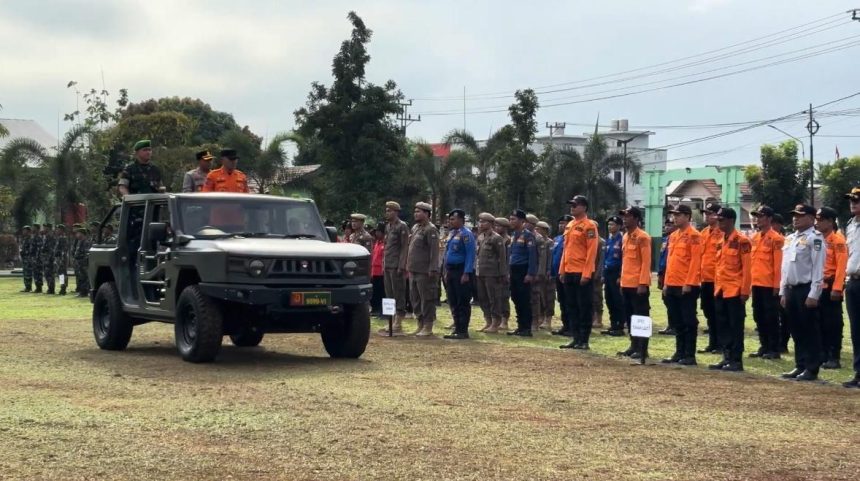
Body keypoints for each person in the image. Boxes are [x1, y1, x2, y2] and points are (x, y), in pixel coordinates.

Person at [779, 204, 826, 382]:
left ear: (812, 218)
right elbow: (785, 268)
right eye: (794, 215)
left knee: (809, 330)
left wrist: (814, 294)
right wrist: (783, 291)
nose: (795, 218)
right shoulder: (790, 238)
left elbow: (818, 268)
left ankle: (811, 368)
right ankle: (800, 364)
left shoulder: (815, 239)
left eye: (800, 215)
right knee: (796, 329)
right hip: (791, 289)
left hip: (805, 288)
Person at [709, 207, 751, 372]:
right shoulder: (721, 241)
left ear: (731, 221)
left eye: (722, 220)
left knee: (735, 327)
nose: (719, 222)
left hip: (735, 291)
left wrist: (745, 291)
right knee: (723, 325)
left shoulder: (742, 241)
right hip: (721, 290)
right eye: (718, 220)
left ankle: (736, 360)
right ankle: (726, 357)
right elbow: (719, 267)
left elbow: (747, 268)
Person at [662, 205, 703, 365]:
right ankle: (679, 352)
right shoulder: (673, 236)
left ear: (687, 216)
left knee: (688, 321)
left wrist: (689, 283)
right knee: (676, 321)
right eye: (674, 215)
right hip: (672, 282)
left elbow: (695, 261)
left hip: (686, 285)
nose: (675, 218)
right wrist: (666, 283)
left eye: (678, 215)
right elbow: (670, 261)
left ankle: (689, 354)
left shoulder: (694, 236)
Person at [559, 195, 599, 350]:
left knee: (584, 307)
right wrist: (562, 270)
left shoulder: (589, 226)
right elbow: (566, 250)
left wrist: (587, 273)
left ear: (584, 207)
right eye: (571, 204)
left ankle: (584, 340)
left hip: (581, 272)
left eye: (575, 205)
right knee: (571, 306)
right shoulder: (570, 225)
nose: (572, 207)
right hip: (569, 270)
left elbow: (592, 251)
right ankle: (575, 338)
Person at [748, 205, 785, 359]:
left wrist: (777, 286)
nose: (758, 219)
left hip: (770, 285)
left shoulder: (776, 239)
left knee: (771, 317)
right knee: (759, 316)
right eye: (757, 216)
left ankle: (774, 349)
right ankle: (764, 345)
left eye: (761, 216)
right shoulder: (755, 238)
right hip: (757, 283)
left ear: (769, 219)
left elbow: (778, 265)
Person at [617, 206, 652, 359]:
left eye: (628, 216)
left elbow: (646, 262)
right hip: (626, 282)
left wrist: (643, 283)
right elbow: (625, 261)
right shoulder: (625, 236)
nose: (625, 218)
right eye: (624, 216)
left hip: (638, 284)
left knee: (641, 317)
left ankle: (642, 348)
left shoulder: (642, 237)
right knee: (630, 316)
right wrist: (621, 279)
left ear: (637, 219)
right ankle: (633, 344)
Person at [815, 207, 847, 369]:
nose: (817, 223)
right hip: (818, 286)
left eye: (821, 220)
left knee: (832, 323)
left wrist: (837, 288)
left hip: (831, 286)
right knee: (819, 321)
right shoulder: (818, 239)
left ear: (830, 221)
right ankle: (822, 354)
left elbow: (841, 267)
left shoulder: (838, 241)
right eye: (817, 219)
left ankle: (834, 356)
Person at [407, 202, 440, 337]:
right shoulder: (415, 228)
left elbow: (434, 251)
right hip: (414, 269)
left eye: (419, 211)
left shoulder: (431, 229)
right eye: (415, 211)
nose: (416, 214)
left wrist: (432, 268)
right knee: (415, 299)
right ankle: (420, 324)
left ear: (426, 214)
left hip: (425, 271)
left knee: (427, 298)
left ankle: (428, 325)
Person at [443, 209, 476, 340]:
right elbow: (448, 253)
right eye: (450, 219)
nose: (450, 221)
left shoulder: (466, 234)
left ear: (461, 220)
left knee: (462, 301)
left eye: (453, 219)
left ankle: (463, 330)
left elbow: (470, 254)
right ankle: (456, 328)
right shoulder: (452, 233)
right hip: (451, 270)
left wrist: (467, 272)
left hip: (461, 270)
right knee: (453, 300)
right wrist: (446, 271)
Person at [379, 201, 410, 336]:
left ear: (396, 212)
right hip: (388, 264)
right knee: (389, 293)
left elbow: (404, 247)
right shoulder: (388, 226)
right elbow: (387, 247)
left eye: (390, 210)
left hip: (397, 265)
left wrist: (402, 265)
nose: (387, 213)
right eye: (386, 210)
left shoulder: (402, 226)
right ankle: (390, 320)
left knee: (398, 293)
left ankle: (399, 320)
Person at [475, 213, 508, 334]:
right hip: (481, 272)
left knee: (494, 298)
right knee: (483, 298)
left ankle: (495, 322)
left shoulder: (496, 238)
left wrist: (502, 274)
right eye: (480, 221)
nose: (481, 224)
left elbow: (502, 257)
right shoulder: (481, 237)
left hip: (493, 273)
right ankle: (488, 321)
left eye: (484, 222)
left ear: (490, 224)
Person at [507, 209, 538, 337]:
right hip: (514, 270)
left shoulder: (528, 235)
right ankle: (520, 326)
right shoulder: (514, 235)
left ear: (522, 221)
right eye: (510, 219)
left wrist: (530, 273)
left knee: (524, 299)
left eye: (513, 219)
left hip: (523, 270)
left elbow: (532, 256)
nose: (511, 221)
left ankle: (526, 328)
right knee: (516, 298)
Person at [698, 202, 723, 354]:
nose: (707, 216)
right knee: (708, 313)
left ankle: (721, 344)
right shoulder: (704, 233)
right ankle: (712, 343)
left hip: (717, 280)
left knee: (718, 313)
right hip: (705, 279)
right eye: (705, 213)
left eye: (710, 213)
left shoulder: (722, 232)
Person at [842, 187, 860, 388]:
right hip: (853, 281)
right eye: (851, 199)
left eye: (857, 199)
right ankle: (858, 372)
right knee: (856, 330)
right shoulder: (850, 226)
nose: (853, 202)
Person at [602, 215, 625, 336]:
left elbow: (623, 259)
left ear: (619, 226)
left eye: (613, 225)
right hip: (608, 273)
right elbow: (605, 258)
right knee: (609, 299)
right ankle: (613, 324)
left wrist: (621, 275)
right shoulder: (608, 240)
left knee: (618, 300)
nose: (610, 227)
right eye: (609, 224)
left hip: (617, 273)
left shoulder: (622, 240)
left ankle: (619, 326)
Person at [525, 214, 547, 331]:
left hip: (536, 272)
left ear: (532, 224)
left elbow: (542, 258)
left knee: (534, 298)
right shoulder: (524, 236)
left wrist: (539, 273)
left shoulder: (538, 238)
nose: (524, 224)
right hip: (526, 271)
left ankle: (535, 321)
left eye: (526, 222)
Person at [551, 215, 572, 336]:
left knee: (570, 301)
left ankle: (572, 327)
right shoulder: (558, 238)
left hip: (568, 272)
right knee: (562, 301)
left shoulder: (571, 238)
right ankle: (566, 325)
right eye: (560, 223)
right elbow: (554, 256)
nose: (561, 226)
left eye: (564, 223)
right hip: (557, 273)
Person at [657, 218, 677, 335]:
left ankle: (674, 325)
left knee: (671, 299)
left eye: (670, 225)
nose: (667, 227)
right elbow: (662, 257)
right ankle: (671, 324)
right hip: (663, 272)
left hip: (672, 272)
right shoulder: (665, 240)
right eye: (666, 225)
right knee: (666, 299)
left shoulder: (675, 239)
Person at [536, 221, 556, 330]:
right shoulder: (537, 242)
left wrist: (549, 270)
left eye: (539, 229)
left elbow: (550, 258)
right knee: (539, 296)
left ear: (545, 230)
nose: (536, 231)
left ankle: (548, 319)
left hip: (547, 274)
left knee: (549, 297)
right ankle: (541, 316)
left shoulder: (550, 243)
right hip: (539, 273)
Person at [494, 217, 513, 331]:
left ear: (505, 228)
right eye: (496, 226)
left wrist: (507, 273)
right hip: (494, 271)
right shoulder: (495, 239)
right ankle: (497, 319)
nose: (497, 228)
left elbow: (508, 258)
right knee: (495, 296)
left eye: (499, 226)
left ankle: (505, 320)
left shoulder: (508, 240)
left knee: (504, 296)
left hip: (504, 271)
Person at [369, 225, 385, 316]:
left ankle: (380, 309)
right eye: (376, 231)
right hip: (374, 271)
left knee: (381, 291)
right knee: (375, 291)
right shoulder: (377, 243)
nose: (376, 233)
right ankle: (375, 308)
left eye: (379, 231)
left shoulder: (384, 243)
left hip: (381, 271)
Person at [73, 227, 91, 297]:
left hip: (83, 263)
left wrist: (84, 262)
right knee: (80, 277)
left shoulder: (86, 242)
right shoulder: (79, 242)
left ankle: (84, 292)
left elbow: (86, 253)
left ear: (82, 234)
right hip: (78, 262)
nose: (77, 235)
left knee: (84, 277)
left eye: (78, 233)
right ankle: (81, 291)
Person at [53, 224, 70, 296]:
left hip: (62, 259)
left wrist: (62, 260)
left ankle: (63, 288)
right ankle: (62, 287)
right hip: (59, 259)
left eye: (58, 229)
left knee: (62, 274)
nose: (57, 231)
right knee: (60, 274)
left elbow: (64, 250)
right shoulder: (59, 238)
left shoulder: (63, 238)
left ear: (62, 230)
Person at [40, 223, 56, 295]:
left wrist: (49, 259)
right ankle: (49, 288)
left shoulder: (51, 236)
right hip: (46, 258)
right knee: (47, 274)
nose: (43, 229)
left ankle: (51, 289)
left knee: (49, 274)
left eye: (45, 227)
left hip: (49, 258)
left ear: (48, 228)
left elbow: (51, 249)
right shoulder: (46, 236)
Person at [19, 226, 33, 293]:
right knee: (25, 273)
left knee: (28, 273)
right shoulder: (25, 239)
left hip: (28, 258)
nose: (23, 232)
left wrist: (24, 252)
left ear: (28, 231)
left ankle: (29, 287)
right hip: (25, 258)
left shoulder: (30, 239)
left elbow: (31, 249)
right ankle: (27, 286)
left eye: (25, 230)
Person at [31, 223, 44, 293]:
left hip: (38, 259)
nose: (32, 229)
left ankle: (39, 287)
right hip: (34, 258)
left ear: (37, 229)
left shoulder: (39, 237)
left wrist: (36, 258)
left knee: (39, 273)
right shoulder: (34, 237)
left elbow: (39, 249)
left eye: (34, 227)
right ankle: (37, 287)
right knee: (35, 273)